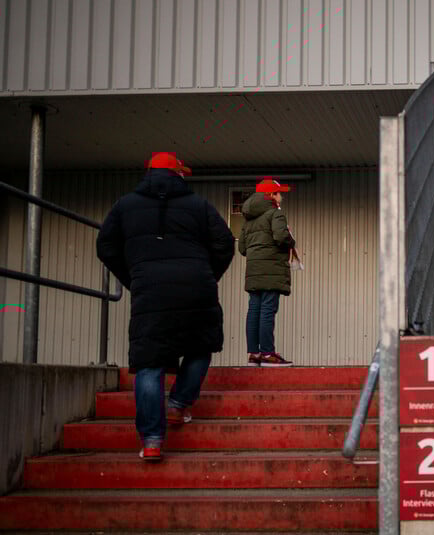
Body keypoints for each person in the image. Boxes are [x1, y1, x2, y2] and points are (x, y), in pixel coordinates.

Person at [97, 152, 235, 462]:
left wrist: (135, 275)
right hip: (196, 284)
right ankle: (178, 405)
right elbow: (225, 243)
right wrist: (207, 274)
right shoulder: (198, 205)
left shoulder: (125, 205)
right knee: (200, 347)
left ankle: (153, 440)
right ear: (178, 175)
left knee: (150, 362)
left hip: (150, 288)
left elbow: (105, 246)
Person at [239, 178, 296, 367]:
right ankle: (268, 353)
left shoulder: (249, 219)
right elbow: (280, 237)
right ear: (271, 195)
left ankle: (254, 353)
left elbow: (242, 248)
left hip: (254, 271)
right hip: (271, 270)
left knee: (254, 309)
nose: (282, 197)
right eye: (279, 193)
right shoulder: (275, 214)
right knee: (268, 310)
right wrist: (290, 240)